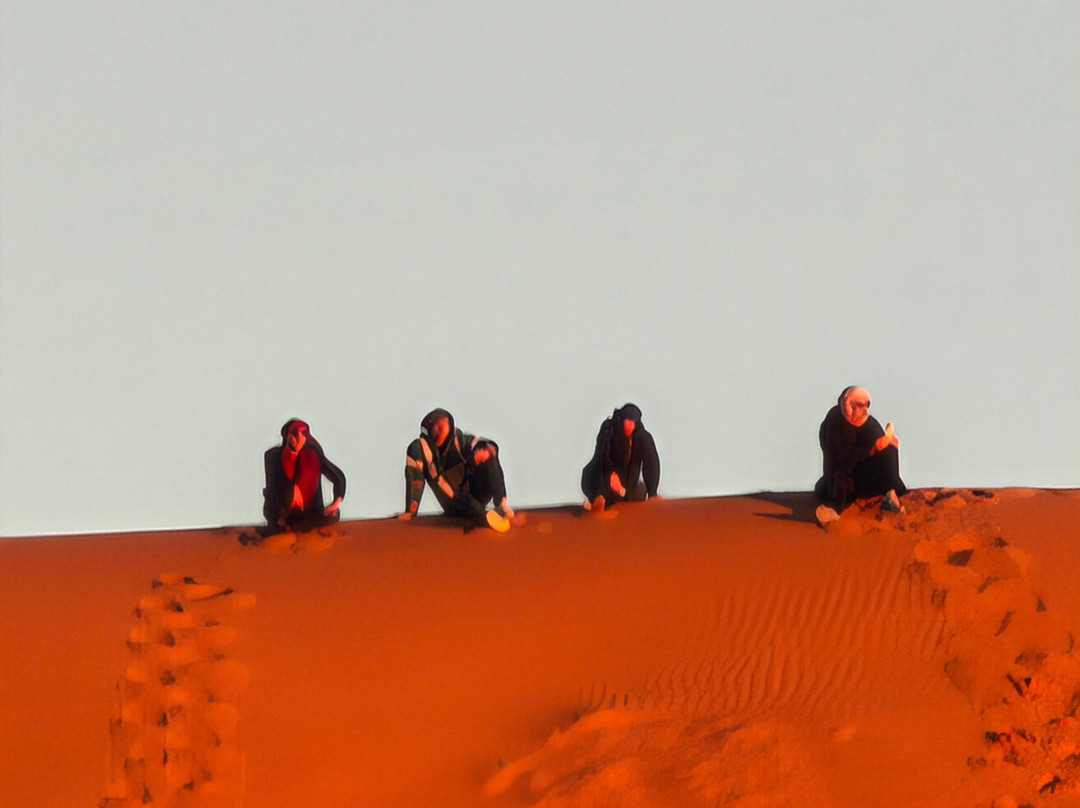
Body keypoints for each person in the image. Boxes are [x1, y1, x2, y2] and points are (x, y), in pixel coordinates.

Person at [398, 408, 515, 532]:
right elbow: (415, 478)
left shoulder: (461, 441)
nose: (437, 431)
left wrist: (484, 452)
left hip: (477, 492)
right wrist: (411, 511)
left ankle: (501, 506)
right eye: (434, 428)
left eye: (441, 427)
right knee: (469, 504)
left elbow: (486, 445)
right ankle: (484, 518)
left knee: (490, 456)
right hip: (454, 502)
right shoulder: (419, 449)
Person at [814, 386, 906, 525]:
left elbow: (879, 450)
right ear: (846, 403)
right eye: (856, 405)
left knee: (889, 450)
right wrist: (872, 450)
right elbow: (841, 458)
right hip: (842, 480)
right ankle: (833, 511)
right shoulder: (832, 423)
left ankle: (891, 497)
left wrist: (889, 445)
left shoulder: (870, 424)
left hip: (866, 481)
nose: (861, 409)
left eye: (865, 405)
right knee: (837, 480)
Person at [262, 418, 346, 534]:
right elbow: (275, 485)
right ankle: (289, 524)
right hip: (283, 511)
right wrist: (292, 488)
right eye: (296, 433)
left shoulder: (312, 454)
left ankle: (299, 525)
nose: (300, 437)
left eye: (304, 433)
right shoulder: (273, 457)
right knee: (288, 500)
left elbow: (338, 477)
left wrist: (336, 502)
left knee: (333, 515)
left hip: (309, 511)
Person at [581, 403, 661, 512]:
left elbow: (652, 465)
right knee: (593, 479)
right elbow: (603, 457)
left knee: (638, 494)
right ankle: (597, 502)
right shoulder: (609, 430)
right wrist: (611, 475)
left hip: (628, 488)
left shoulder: (643, 437)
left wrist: (652, 493)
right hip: (601, 480)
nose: (628, 426)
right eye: (626, 422)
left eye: (632, 423)